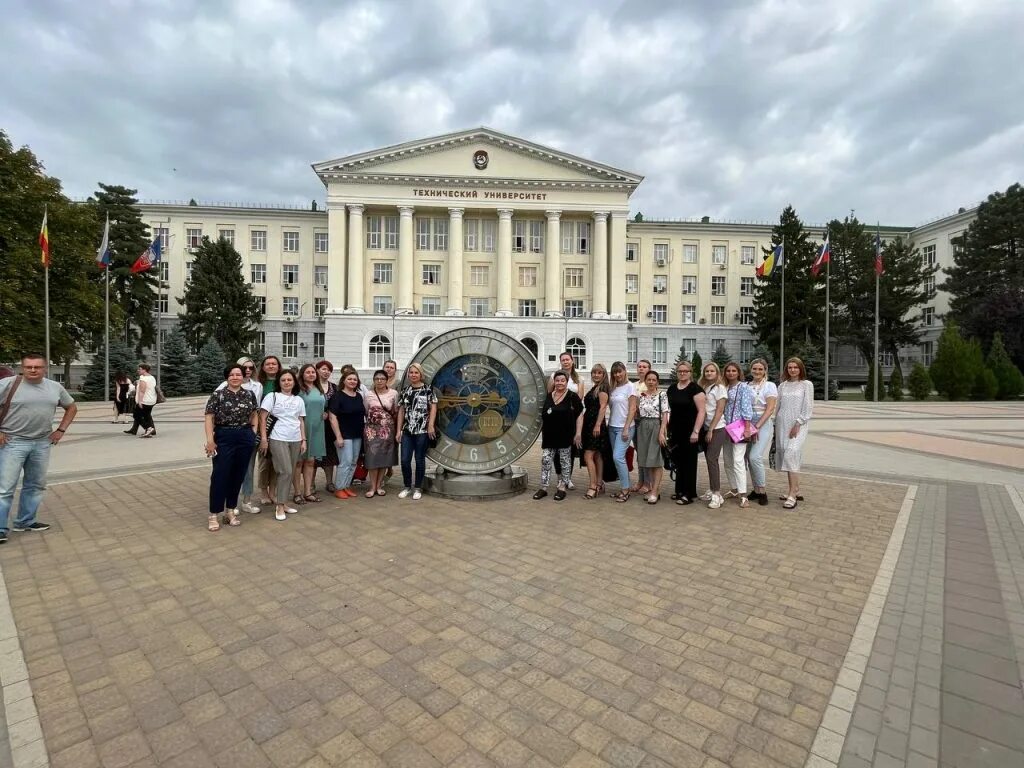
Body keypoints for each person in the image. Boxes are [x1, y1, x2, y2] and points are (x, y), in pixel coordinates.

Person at [0, 354, 78, 543]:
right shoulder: (7, 384)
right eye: (28, 367)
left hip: (42, 442)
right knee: (5, 488)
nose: (33, 370)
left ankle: (25, 521)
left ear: (45, 368)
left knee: (35, 485)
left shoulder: (54, 387)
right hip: (12, 442)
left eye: (37, 367)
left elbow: (72, 407)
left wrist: (60, 430)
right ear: (22, 367)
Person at [203, 364, 259, 531]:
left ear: (243, 377)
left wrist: (253, 433)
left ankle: (230, 511)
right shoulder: (217, 395)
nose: (235, 377)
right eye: (232, 375)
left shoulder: (249, 394)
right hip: (223, 437)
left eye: (238, 374)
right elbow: (209, 418)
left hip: (244, 436)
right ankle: (214, 514)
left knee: (238, 475)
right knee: (220, 475)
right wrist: (210, 440)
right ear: (227, 377)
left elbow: (254, 414)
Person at [216, 357, 263, 513]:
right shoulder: (224, 386)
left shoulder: (257, 386)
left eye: (250, 367)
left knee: (248, 468)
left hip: (247, 434)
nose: (248, 370)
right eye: (244, 367)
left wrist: (253, 431)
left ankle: (247, 501)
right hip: (227, 435)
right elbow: (211, 410)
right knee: (229, 469)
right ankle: (231, 504)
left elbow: (256, 411)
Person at [259, 370, 306, 521]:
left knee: (290, 471)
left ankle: (284, 503)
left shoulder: (298, 400)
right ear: (279, 383)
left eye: (290, 380)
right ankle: (279, 506)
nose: (287, 382)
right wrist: (264, 439)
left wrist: (303, 440)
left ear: (294, 382)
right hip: (277, 437)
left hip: (295, 439)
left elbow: (300, 421)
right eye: (283, 380)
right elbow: (263, 419)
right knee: (284, 470)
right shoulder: (272, 397)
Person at [533, 371, 584, 501]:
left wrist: (578, 433)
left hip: (565, 436)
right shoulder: (549, 396)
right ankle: (543, 487)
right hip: (549, 436)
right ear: (554, 382)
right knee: (545, 460)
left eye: (562, 380)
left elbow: (579, 415)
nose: (559, 383)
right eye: (557, 380)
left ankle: (562, 487)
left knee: (564, 462)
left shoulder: (572, 397)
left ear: (566, 382)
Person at [776, 357, 814, 509]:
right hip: (782, 424)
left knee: (792, 452)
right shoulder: (783, 386)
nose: (792, 370)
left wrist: (798, 423)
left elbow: (808, 406)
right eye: (790, 367)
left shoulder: (806, 385)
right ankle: (794, 489)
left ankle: (792, 495)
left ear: (800, 369)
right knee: (787, 454)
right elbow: (778, 406)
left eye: (795, 367)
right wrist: (774, 424)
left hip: (798, 424)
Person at [395, 363, 437, 500]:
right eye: (411, 373)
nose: (413, 375)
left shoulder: (428, 390)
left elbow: (433, 408)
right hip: (407, 431)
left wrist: (430, 425)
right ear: (408, 375)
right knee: (405, 460)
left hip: (422, 431)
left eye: (416, 373)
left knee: (419, 460)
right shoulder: (405, 390)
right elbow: (401, 411)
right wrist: (398, 430)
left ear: (421, 374)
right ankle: (407, 486)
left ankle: (417, 488)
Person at [667, 360, 706, 505]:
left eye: (685, 371)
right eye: (680, 371)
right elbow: (668, 409)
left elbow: (702, 412)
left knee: (689, 462)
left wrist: (696, 431)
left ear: (690, 373)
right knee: (678, 461)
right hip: (675, 430)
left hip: (690, 431)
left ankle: (689, 493)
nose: (682, 373)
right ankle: (680, 490)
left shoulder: (696, 389)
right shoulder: (671, 389)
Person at [745, 359, 778, 506]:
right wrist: (748, 426)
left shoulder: (770, 386)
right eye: (754, 369)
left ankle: (763, 490)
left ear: (765, 370)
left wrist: (757, 426)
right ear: (751, 370)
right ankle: (756, 490)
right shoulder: (746, 386)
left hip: (762, 422)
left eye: (760, 369)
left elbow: (770, 408)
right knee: (748, 457)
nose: (757, 371)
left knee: (755, 457)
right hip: (747, 421)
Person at [721, 361, 754, 508]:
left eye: (734, 371)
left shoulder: (744, 387)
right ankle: (734, 489)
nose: (731, 373)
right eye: (728, 371)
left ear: (738, 372)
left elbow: (747, 408)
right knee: (727, 460)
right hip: (725, 427)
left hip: (739, 428)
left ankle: (743, 494)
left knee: (738, 461)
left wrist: (747, 428)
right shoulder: (724, 387)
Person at [328, 371, 365, 499]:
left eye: (355, 379)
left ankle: (346, 486)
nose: (352, 381)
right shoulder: (337, 396)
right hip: (344, 434)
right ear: (344, 380)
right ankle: (339, 488)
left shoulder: (359, 396)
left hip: (357, 434)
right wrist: (338, 436)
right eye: (349, 379)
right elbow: (332, 417)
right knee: (345, 461)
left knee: (354, 462)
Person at [634, 370, 669, 504]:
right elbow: (636, 411)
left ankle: (655, 490)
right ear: (645, 381)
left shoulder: (662, 395)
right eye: (649, 379)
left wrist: (662, 432)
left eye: (654, 380)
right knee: (646, 460)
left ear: (657, 382)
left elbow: (665, 414)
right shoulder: (641, 396)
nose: (651, 382)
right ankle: (651, 488)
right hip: (643, 427)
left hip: (656, 426)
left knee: (656, 460)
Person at [294, 364, 326, 504]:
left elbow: (321, 406)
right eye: (308, 372)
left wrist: (324, 413)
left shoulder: (319, 389)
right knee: (298, 461)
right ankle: (297, 493)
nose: (311, 374)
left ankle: (308, 492)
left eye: (313, 372)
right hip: (302, 427)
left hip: (318, 427)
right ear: (302, 374)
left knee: (311, 461)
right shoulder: (298, 390)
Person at [362, 369, 398, 498]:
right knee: (372, 457)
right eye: (377, 378)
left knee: (384, 458)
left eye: (382, 379)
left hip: (387, 431)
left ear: (387, 380)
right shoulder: (369, 395)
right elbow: (366, 411)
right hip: (372, 430)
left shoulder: (394, 393)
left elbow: (396, 411)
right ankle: (372, 486)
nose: (379, 381)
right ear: (373, 380)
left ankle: (379, 486)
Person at [698, 362, 729, 510]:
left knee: (712, 459)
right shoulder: (704, 387)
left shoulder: (720, 388)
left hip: (716, 428)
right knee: (710, 460)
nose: (709, 373)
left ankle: (717, 494)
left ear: (717, 373)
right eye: (707, 371)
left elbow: (719, 411)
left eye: (712, 371)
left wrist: (710, 430)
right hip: (705, 427)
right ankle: (712, 489)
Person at [608, 362, 637, 502]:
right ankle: (624, 487)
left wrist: (626, 427)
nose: (617, 375)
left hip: (625, 427)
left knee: (617, 457)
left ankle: (626, 490)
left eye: (620, 371)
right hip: (612, 427)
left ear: (625, 371)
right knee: (619, 459)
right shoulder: (613, 387)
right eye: (615, 372)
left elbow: (632, 408)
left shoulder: (630, 386)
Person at [581, 364, 610, 499]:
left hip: (596, 425)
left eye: (599, 373)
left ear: (604, 375)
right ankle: (599, 484)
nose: (596, 375)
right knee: (597, 455)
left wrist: (598, 425)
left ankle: (593, 486)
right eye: (594, 373)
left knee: (588, 455)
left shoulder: (603, 388)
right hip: (589, 424)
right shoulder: (595, 387)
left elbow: (603, 407)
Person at [256, 356, 281, 505]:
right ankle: (264, 491)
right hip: (264, 426)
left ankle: (273, 491)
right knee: (265, 461)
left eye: (274, 364)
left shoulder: (283, 381)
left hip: (280, 427)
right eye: (268, 364)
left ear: (278, 366)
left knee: (277, 461)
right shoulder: (259, 385)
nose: (271, 366)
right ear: (263, 367)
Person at [314, 360, 339, 492]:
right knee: (313, 456)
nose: (326, 372)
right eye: (323, 369)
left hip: (329, 427)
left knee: (330, 454)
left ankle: (329, 482)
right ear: (317, 370)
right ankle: (310, 484)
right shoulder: (311, 386)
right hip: (314, 425)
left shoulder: (334, 387)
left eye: (329, 370)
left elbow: (337, 405)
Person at [630, 359, 652, 492]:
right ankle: (640, 480)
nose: (641, 369)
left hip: (646, 422)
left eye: (644, 367)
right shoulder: (633, 385)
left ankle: (648, 482)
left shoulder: (650, 384)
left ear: (649, 369)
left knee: (646, 452)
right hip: (635, 421)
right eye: (639, 366)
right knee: (639, 452)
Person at [124, 363, 157, 437]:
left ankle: (149, 429)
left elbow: (142, 391)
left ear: (144, 370)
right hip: (151, 400)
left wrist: (139, 402)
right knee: (147, 415)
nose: (138, 370)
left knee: (136, 415)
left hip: (144, 401)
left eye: (140, 369)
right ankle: (150, 431)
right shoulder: (151, 377)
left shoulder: (143, 379)